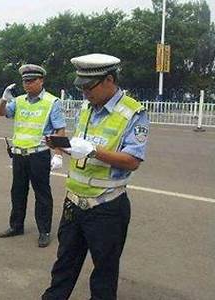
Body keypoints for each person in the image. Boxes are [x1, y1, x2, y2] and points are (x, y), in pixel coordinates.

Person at [42, 53, 150, 300]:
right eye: (80, 87)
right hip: (74, 202)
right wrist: (64, 147)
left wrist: (93, 151)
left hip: (106, 205)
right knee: (64, 265)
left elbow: (133, 161)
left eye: (88, 87)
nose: (84, 93)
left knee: (104, 273)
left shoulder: (133, 113)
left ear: (109, 80)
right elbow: (82, 149)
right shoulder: (87, 107)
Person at [0, 64, 66, 248]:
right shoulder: (18, 101)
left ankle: (44, 231)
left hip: (39, 154)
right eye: (25, 81)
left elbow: (60, 129)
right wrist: (4, 100)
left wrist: (58, 154)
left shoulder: (52, 102)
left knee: (42, 194)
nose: (27, 85)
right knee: (17, 192)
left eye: (31, 81)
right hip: (19, 154)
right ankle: (16, 226)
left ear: (41, 80)